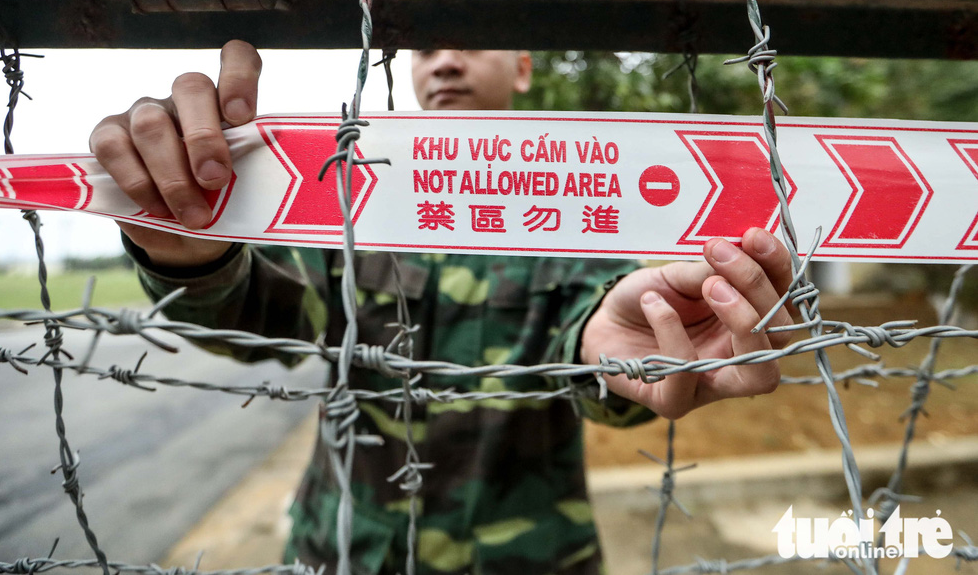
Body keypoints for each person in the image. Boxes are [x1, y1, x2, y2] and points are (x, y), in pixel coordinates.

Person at [90, 41, 795, 575]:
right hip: (346, 550)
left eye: (473, 41)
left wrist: (621, 348)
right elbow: (261, 314)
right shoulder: (351, 203)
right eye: (427, 49)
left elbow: (597, 327)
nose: (448, 62)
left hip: (530, 556)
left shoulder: (586, 210)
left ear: (522, 67)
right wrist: (192, 248)